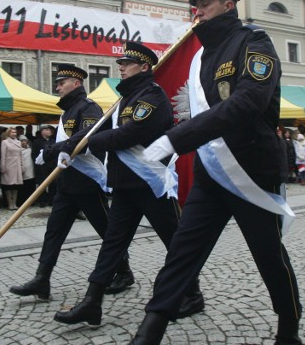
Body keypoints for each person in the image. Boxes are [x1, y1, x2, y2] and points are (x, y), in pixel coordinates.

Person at [129, 0, 302, 344]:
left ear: (228, 4)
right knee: (182, 252)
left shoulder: (253, 42)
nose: (198, 10)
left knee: (268, 255)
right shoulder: (201, 56)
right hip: (212, 171)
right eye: (195, 4)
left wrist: (176, 139)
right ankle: (149, 331)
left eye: (205, 2)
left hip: (251, 169)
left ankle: (289, 329)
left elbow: (248, 102)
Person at [53, 44, 202, 327]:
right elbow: (98, 129)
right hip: (124, 184)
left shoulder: (152, 96)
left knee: (175, 242)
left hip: (150, 183)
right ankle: (92, 302)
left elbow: (131, 133)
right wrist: (67, 145)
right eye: (120, 62)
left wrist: (88, 143)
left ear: (144, 67)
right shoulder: (125, 99)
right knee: (112, 244)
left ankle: (193, 294)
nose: (120, 66)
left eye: (127, 63)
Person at [10, 64, 134, 301]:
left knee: (107, 231)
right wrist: (53, 150)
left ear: (75, 84)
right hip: (67, 184)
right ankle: (42, 279)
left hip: (87, 182)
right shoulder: (67, 111)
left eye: (61, 83)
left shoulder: (88, 108)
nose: (57, 87)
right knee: (53, 231)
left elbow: (89, 136)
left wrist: (55, 148)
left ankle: (124, 271)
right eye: (57, 83)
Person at [31, 125, 57, 206]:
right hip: (42, 166)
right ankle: (42, 200)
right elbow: (34, 154)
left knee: (53, 184)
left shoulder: (54, 141)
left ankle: (51, 199)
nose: (50, 132)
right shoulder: (36, 142)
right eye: (48, 130)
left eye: (50, 130)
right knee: (42, 184)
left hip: (52, 166)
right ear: (43, 131)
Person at [0, 127, 23, 210]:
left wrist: (21, 166)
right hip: (8, 165)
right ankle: (10, 203)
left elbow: (20, 155)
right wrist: (2, 166)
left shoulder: (19, 142)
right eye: (12, 132)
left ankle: (14, 203)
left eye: (15, 132)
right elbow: (3, 156)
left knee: (16, 185)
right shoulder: (5, 142)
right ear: (8, 133)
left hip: (17, 166)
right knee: (8, 185)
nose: (14, 134)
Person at [17, 135, 36, 206]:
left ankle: (31, 201)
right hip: (22, 170)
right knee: (23, 188)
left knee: (30, 186)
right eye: (22, 141)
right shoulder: (19, 150)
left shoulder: (30, 149)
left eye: (25, 141)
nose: (24, 142)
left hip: (30, 170)